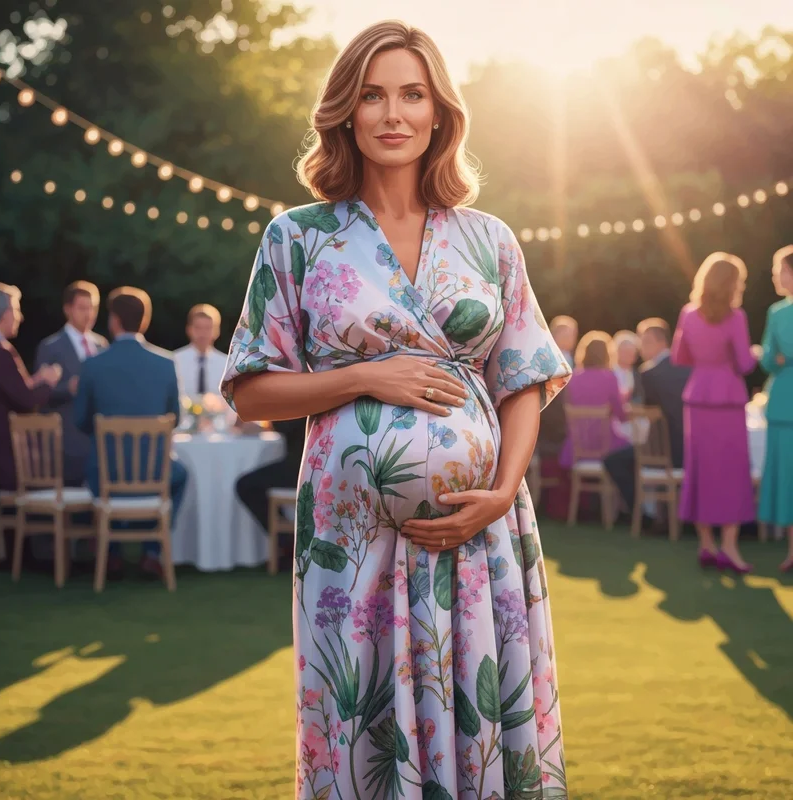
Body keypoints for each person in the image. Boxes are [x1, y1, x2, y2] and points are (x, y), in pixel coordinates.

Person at [220, 21, 572, 799]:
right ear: (345, 111)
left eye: (413, 94)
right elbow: (250, 391)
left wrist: (502, 491)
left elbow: (521, 379)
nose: (393, 113)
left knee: (481, 720)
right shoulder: (298, 238)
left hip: (480, 533)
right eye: (373, 94)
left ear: (440, 113)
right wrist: (366, 377)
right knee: (362, 728)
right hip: (352, 546)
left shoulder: (489, 240)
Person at [75, 287, 188, 580]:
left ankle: (111, 553)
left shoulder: (92, 365)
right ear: (145, 321)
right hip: (154, 474)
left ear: (113, 321)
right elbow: (175, 418)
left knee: (93, 469)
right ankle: (152, 550)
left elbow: (80, 421)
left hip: (104, 474)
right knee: (181, 475)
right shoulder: (166, 363)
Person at [672, 252, 759, 574]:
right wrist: (753, 354)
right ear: (732, 284)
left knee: (701, 472)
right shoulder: (736, 317)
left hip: (697, 400)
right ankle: (730, 549)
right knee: (733, 474)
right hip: (728, 401)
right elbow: (746, 363)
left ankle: (706, 546)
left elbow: (680, 356)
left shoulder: (689, 314)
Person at [604, 318, 690, 516]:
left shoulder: (649, 373)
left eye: (643, 341)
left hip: (661, 453)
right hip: (691, 450)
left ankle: (642, 515)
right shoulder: (688, 369)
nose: (640, 347)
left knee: (614, 460)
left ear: (659, 342)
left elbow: (648, 416)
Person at [35, 281, 108, 486]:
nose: (89, 314)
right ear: (68, 309)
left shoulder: (101, 344)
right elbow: (40, 394)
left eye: (92, 308)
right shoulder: (50, 347)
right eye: (82, 308)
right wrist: (68, 387)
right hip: (67, 442)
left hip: (99, 439)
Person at [0, 283, 60, 492]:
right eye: (16, 310)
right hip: (2, 458)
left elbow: (10, 390)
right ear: (5, 313)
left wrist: (35, 380)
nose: (20, 317)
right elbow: (26, 402)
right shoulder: (0, 351)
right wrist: (48, 382)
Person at [757, 245, 793, 572]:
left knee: (787, 478)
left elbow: (768, 358)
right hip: (782, 405)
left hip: (784, 401)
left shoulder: (778, 313)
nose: (774, 275)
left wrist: (782, 359)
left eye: (779, 269)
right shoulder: (776, 311)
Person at [235, 417, 307, 555]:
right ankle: (286, 542)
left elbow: (285, 425)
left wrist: (264, 422)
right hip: (301, 461)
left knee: (246, 486)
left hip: (302, 466)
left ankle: (287, 543)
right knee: (249, 484)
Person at [559, 330, 630, 469]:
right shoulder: (609, 377)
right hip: (605, 443)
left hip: (578, 443)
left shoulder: (573, 379)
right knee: (632, 450)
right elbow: (621, 416)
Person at [173, 304, 229, 398]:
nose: (202, 333)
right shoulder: (174, 361)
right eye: (198, 328)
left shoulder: (226, 364)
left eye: (208, 328)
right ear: (189, 329)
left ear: (217, 331)